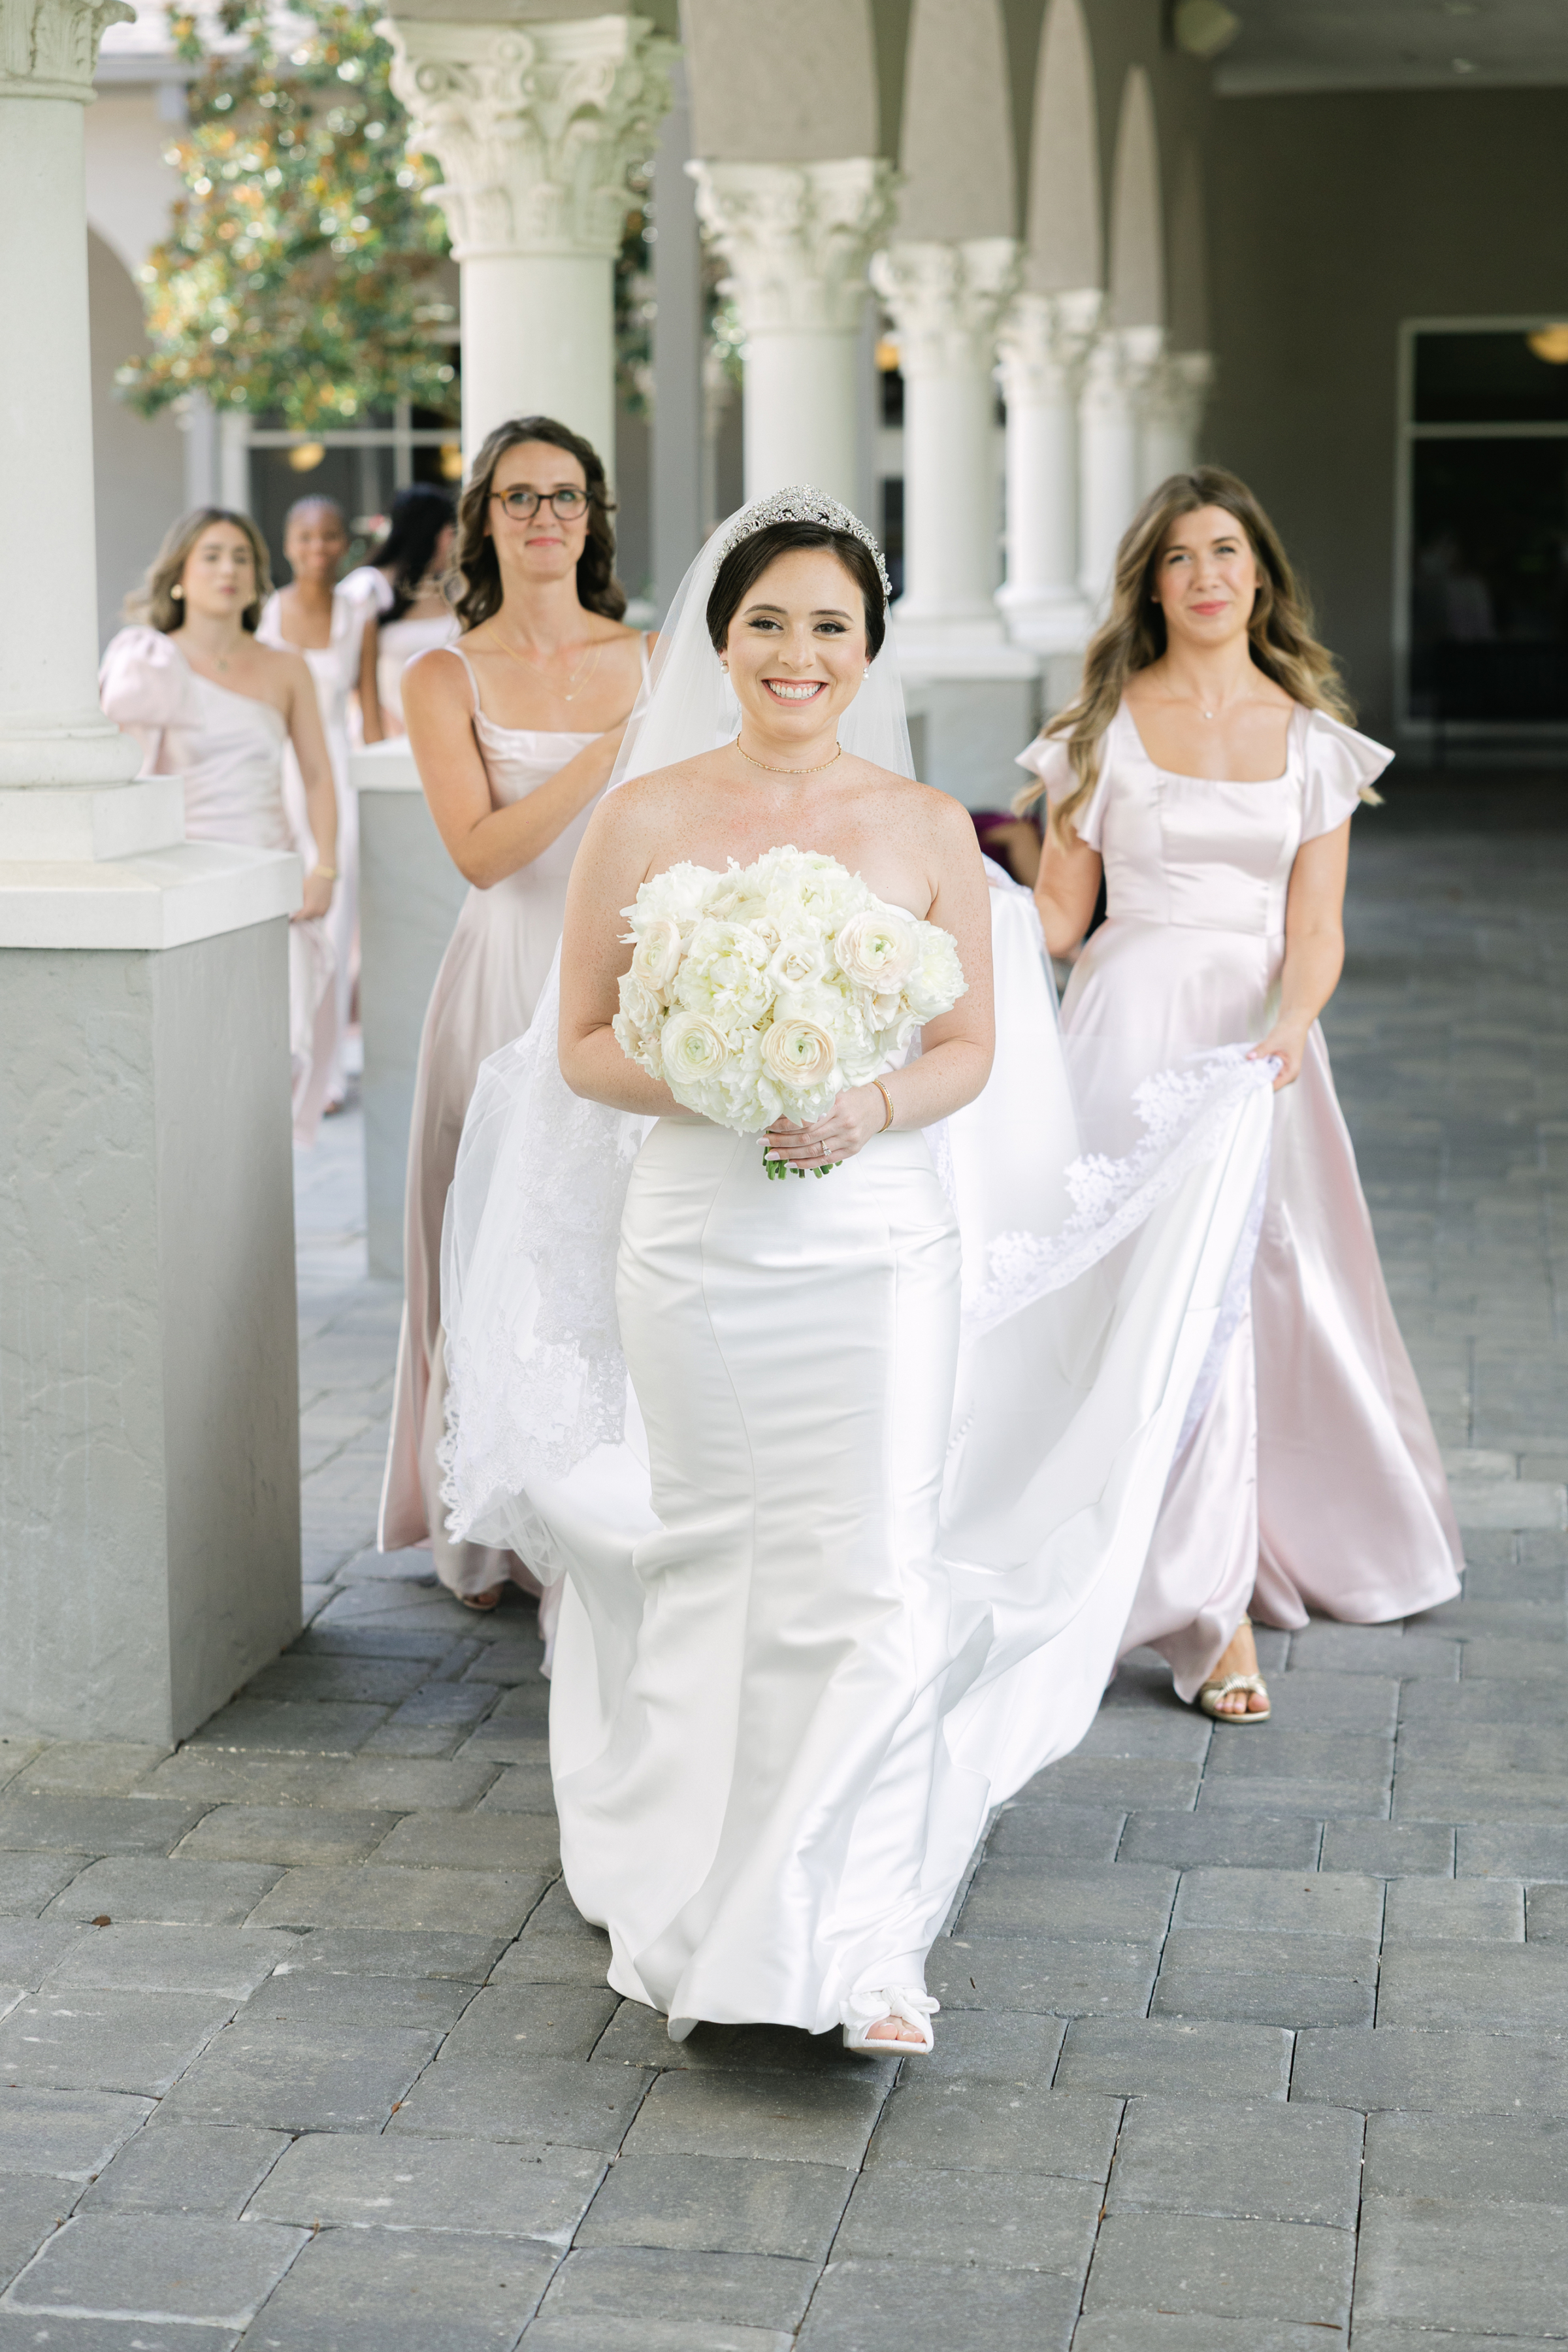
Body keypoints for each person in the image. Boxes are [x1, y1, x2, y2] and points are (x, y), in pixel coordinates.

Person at [438, 490, 1278, 2053]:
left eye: (828, 625)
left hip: (879, 1243)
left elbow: (965, 1042)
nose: (795, 652)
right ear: (720, 638)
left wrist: (864, 1100)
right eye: (765, 622)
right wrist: (714, 1073)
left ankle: (862, 1939)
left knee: (876, 1577)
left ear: (867, 648)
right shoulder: (644, 815)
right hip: (696, 1244)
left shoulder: (917, 826)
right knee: (726, 1560)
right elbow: (581, 1044)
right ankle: (704, 1883)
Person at [1020, 466, 1463, 1720]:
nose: (1206, 575)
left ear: (1259, 571)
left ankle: (1214, 1606)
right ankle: (1158, 1584)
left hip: (1256, 1043)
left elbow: (1314, 930)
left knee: (1240, 1300)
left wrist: (1287, 1033)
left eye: (1226, 551)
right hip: (1123, 1029)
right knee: (1125, 1295)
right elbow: (1058, 924)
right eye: (1178, 557)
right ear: (1149, 584)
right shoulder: (1096, 733)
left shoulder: (1315, 743)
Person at [378, 418, 651, 1612]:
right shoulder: (442, 674)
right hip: (505, 969)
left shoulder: (653, 658)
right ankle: (487, 1521)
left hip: (622, 973)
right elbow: (484, 854)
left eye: (568, 497)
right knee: (490, 1229)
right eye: (521, 498)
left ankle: (601, 1505)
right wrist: (605, 757)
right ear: (483, 517)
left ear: (594, 517)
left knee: (606, 1238)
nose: (546, 518)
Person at [100, 507, 339, 1143]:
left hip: (271, 884)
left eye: (241, 557)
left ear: (259, 576)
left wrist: (324, 868)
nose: (227, 569)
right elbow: (123, 779)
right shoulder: (146, 660)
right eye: (211, 555)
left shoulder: (287, 668)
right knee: (196, 1058)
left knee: (274, 1054)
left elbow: (318, 775)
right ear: (178, 573)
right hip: (184, 881)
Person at [257, 497, 382, 1110]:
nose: (318, 548)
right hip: (275, 775)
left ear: (345, 544)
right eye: (306, 536)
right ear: (286, 544)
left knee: (334, 924)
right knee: (281, 922)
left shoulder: (357, 616)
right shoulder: (264, 615)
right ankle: (282, 1058)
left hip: (339, 776)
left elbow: (372, 713)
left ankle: (327, 1074)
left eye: (331, 535)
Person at [342, 484, 460, 732]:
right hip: (388, 732)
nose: (455, 543)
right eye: (451, 532)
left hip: (444, 731)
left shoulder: (451, 590)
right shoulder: (369, 587)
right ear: (434, 533)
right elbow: (348, 670)